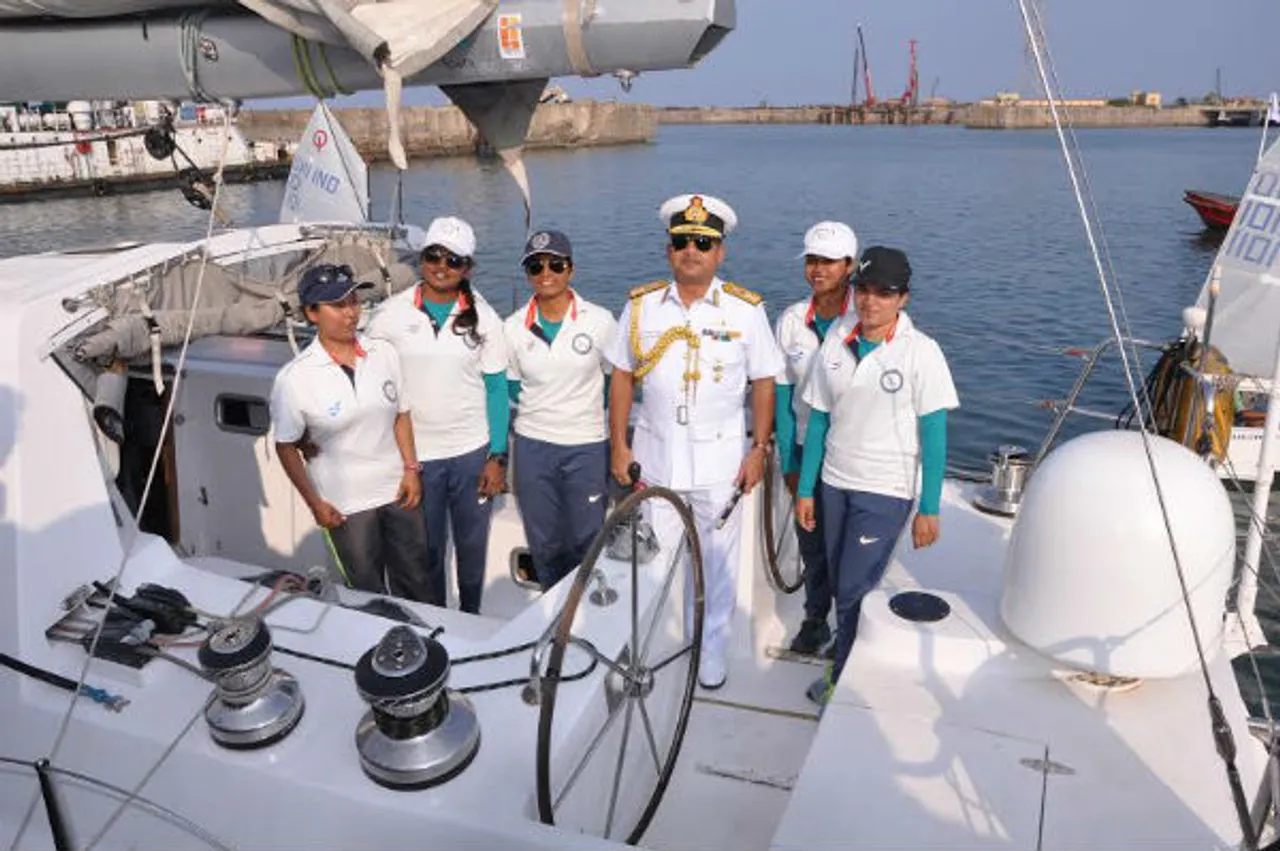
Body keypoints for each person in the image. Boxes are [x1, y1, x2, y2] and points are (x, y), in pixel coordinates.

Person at [606, 193, 784, 690]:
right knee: (653, 560)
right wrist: (619, 446)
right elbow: (622, 377)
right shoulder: (641, 307)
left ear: (720, 253)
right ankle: (652, 648)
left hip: (720, 462)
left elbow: (765, 381)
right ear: (669, 250)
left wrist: (759, 449)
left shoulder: (746, 311)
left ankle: (709, 652)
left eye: (703, 243)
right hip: (655, 458)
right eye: (683, 241)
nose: (692, 251)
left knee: (716, 566)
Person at [795, 246, 958, 705]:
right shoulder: (836, 340)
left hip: (885, 490)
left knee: (853, 588)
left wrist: (929, 508)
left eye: (883, 293)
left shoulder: (921, 352)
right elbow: (820, 418)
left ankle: (841, 676)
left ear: (902, 298)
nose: (870, 302)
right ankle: (845, 656)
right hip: (834, 482)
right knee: (831, 577)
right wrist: (806, 489)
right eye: (863, 290)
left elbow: (935, 435)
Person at [366, 216, 509, 614]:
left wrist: (497, 456)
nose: (441, 266)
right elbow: (369, 377)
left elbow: (497, 390)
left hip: (471, 454)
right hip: (415, 458)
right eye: (433, 255)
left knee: (471, 549)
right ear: (421, 257)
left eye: (454, 259)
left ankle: (471, 619)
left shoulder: (487, 318)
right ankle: (433, 624)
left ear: (468, 268)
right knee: (425, 552)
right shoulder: (390, 315)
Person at [270, 263, 431, 600]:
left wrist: (412, 470)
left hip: (398, 491)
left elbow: (401, 414)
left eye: (354, 302)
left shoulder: (384, 353)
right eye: (338, 305)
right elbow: (286, 447)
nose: (351, 313)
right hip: (345, 505)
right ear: (312, 314)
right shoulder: (294, 378)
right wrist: (315, 503)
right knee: (366, 591)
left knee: (417, 580)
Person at [505, 230, 618, 590]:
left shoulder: (600, 321)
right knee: (545, 542)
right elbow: (511, 388)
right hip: (533, 447)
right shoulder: (511, 328)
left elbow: (614, 385)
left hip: (585, 445)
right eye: (535, 266)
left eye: (556, 264)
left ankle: (583, 616)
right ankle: (554, 613)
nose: (546, 273)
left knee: (587, 539)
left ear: (571, 269)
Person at [774, 221, 860, 657]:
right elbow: (784, 399)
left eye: (827, 261)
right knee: (812, 542)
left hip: (853, 453)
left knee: (847, 546)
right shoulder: (791, 321)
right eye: (811, 260)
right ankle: (814, 619)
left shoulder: (865, 317)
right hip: (809, 448)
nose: (817, 269)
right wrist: (789, 460)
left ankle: (850, 628)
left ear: (849, 265)